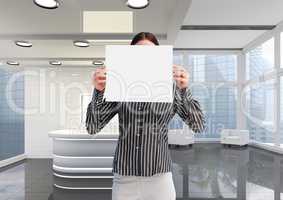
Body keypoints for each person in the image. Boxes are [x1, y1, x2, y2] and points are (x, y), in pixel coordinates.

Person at [86, 32, 205, 200]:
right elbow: (93, 127)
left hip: (160, 178)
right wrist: (98, 92)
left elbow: (198, 125)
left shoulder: (171, 88)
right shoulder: (118, 87)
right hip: (124, 177)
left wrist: (184, 89)